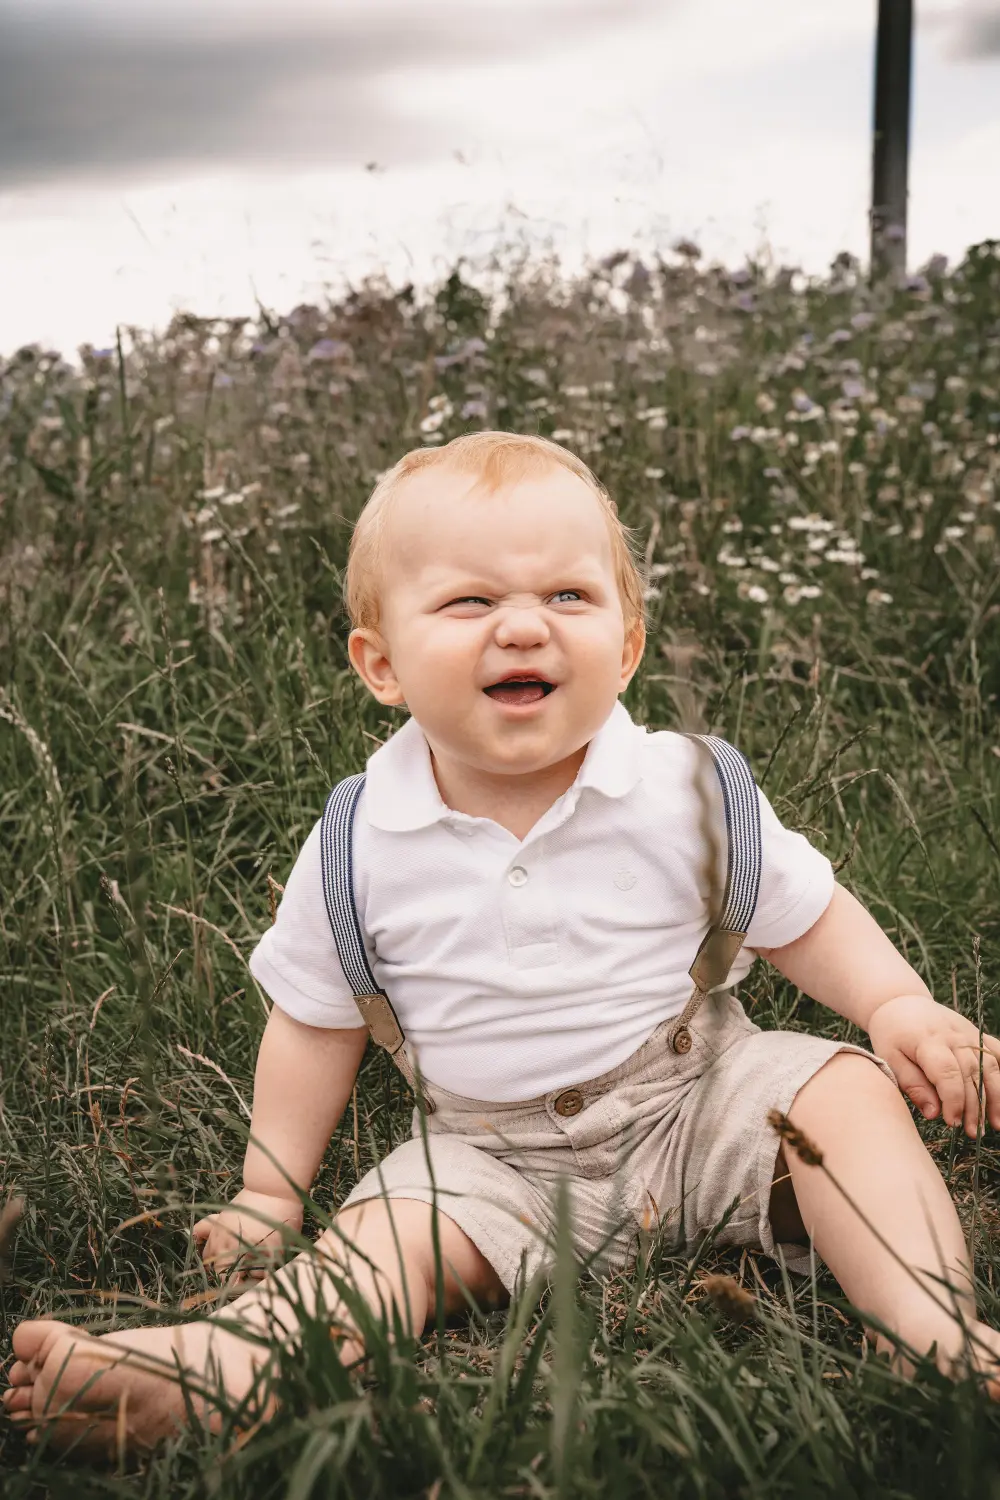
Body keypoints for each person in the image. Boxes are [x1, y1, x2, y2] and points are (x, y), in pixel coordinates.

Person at [6, 430, 1000, 1461]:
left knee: (841, 1097)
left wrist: (893, 1005)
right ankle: (227, 1369)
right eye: (470, 602)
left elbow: (807, 914)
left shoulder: (684, 788)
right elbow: (312, 1024)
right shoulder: (357, 840)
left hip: (700, 1095)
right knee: (386, 1234)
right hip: (492, 1157)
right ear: (381, 663)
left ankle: (924, 1321)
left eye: (567, 597)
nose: (523, 627)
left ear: (624, 649)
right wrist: (268, 1190)